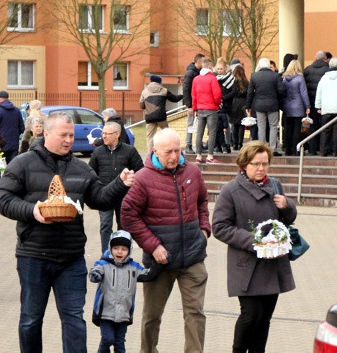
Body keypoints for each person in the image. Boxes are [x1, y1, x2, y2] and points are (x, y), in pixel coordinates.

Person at [0, 111, 134, 353]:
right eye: (63, 135)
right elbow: (3, 199)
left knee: (74, 319)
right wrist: (32, 210)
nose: (69, 140)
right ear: (46, 133)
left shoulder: (81, 168)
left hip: (71, 258)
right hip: (33, 255)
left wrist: (120, 184)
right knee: (30, 319)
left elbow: (99, 199)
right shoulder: (23, 163)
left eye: (71, 135)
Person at [121, 128, 210, 353]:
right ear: (155, 152)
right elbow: (128, 215)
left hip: (192, 256)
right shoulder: (143, 178)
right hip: (159, 261)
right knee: (152, 316)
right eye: (168, 152)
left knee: (195, 314)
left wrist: (204, 231)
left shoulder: (193, 171)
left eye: (177, 150)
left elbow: (202, 201)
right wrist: (153, 246)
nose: (173, 156)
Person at [211, 141, 297, 353]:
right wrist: (255, 241)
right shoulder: (230, 190)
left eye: (265, 164)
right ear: (244, 165)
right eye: (256, 164)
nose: (261, 168)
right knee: (251, 315)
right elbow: (220, 227)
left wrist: (287, 205)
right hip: (246, 264)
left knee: (265, 318)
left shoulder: (275, 185)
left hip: (273, 263)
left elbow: (289, 218)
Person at [89, 230, 157, 353]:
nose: (119, 252)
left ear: (129, 251)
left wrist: (159, 265)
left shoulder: (134, 267)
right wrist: (95, 275)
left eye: (123, 249)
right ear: (110, 248)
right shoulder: (103, 264)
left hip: (124, 313)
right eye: (115, 248)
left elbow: (148, 274)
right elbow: (96, 270)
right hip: (105, 312)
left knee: (120, 344)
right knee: (107, 338)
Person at [89, 122, 143, 252]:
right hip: (104, 197)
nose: (104, 136)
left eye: (107, 134)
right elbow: (90, 174)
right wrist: (92, 196)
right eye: (103, 133)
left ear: (117, 134)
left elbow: (141, 172)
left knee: (124, 227)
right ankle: (106, 256)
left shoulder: (130, 151)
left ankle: (123, 255)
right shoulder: (97, 152)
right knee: (105, 226)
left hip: (124, 197)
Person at [247, 57, 286, 155]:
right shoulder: (275, 75)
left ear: (259, 65)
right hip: (273, 105)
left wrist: (248, 105)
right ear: (269, 65)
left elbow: (250, 92)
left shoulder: (255, 76)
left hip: (259, 106)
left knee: (261, 127)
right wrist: (276, 97)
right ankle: (272, 149)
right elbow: (282, 90)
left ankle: (262, 149)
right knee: (273, 126)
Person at [139, 74, 183, 153]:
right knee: (167, 134)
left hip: (149, 117)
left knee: (150, 137)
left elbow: (141, 105)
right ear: (160, 81)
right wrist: (182, 95)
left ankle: (150, 156)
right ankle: (168, 151)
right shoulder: (164, 90)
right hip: (161, 117)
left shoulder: (144, 91)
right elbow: (175, 99)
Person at [192, 57, 222, 164]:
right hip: (211, 108)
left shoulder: (196, 79)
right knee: (212, 132)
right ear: (210, 66)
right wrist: (217, 104)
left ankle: (199, 155)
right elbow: (217, 94)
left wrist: (195, 108)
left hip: (200, 109)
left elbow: (194, 95)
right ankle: (210, 156)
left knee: (199, 132)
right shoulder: (212, 78)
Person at [303, 51, 330, 155]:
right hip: (324, 102)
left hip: (311, 101)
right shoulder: (327, 70)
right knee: (325, 125)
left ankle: (312, 149)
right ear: (325, 58)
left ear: (315, 57)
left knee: (312, 125)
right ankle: (323, 148)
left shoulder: (308, 69)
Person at [282, 59, 310, 156]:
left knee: (288, 129)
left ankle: (287, 149)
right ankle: (296, 150)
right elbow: (304, 93)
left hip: (287, 106)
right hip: (298, 106)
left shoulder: (284, 79)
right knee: (297, 130)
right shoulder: (300, 78)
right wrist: (307, 106)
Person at [0, 91, 25, 163]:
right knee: (13, 167)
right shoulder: (17, 110)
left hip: (0, 144)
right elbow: (22, 128)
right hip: (14, 144)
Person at [182, 53, 205, 155]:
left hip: (200, 103)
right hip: (193, 103)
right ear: (198, 61)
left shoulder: (200, 72)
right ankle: (188, 145)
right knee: (191, 124)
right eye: (203, 61)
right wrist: (189, 105)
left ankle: (199, 144)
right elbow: (186, 90)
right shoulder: (190, 73)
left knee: (200, 124)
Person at [229, 65, 250, 151]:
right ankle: (240, 143)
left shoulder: (233, 82)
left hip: (234, 104)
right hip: (243, 104)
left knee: (235, 125)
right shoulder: (247, 82)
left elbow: (231, 93)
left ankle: (235, 144)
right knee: (241, 125)